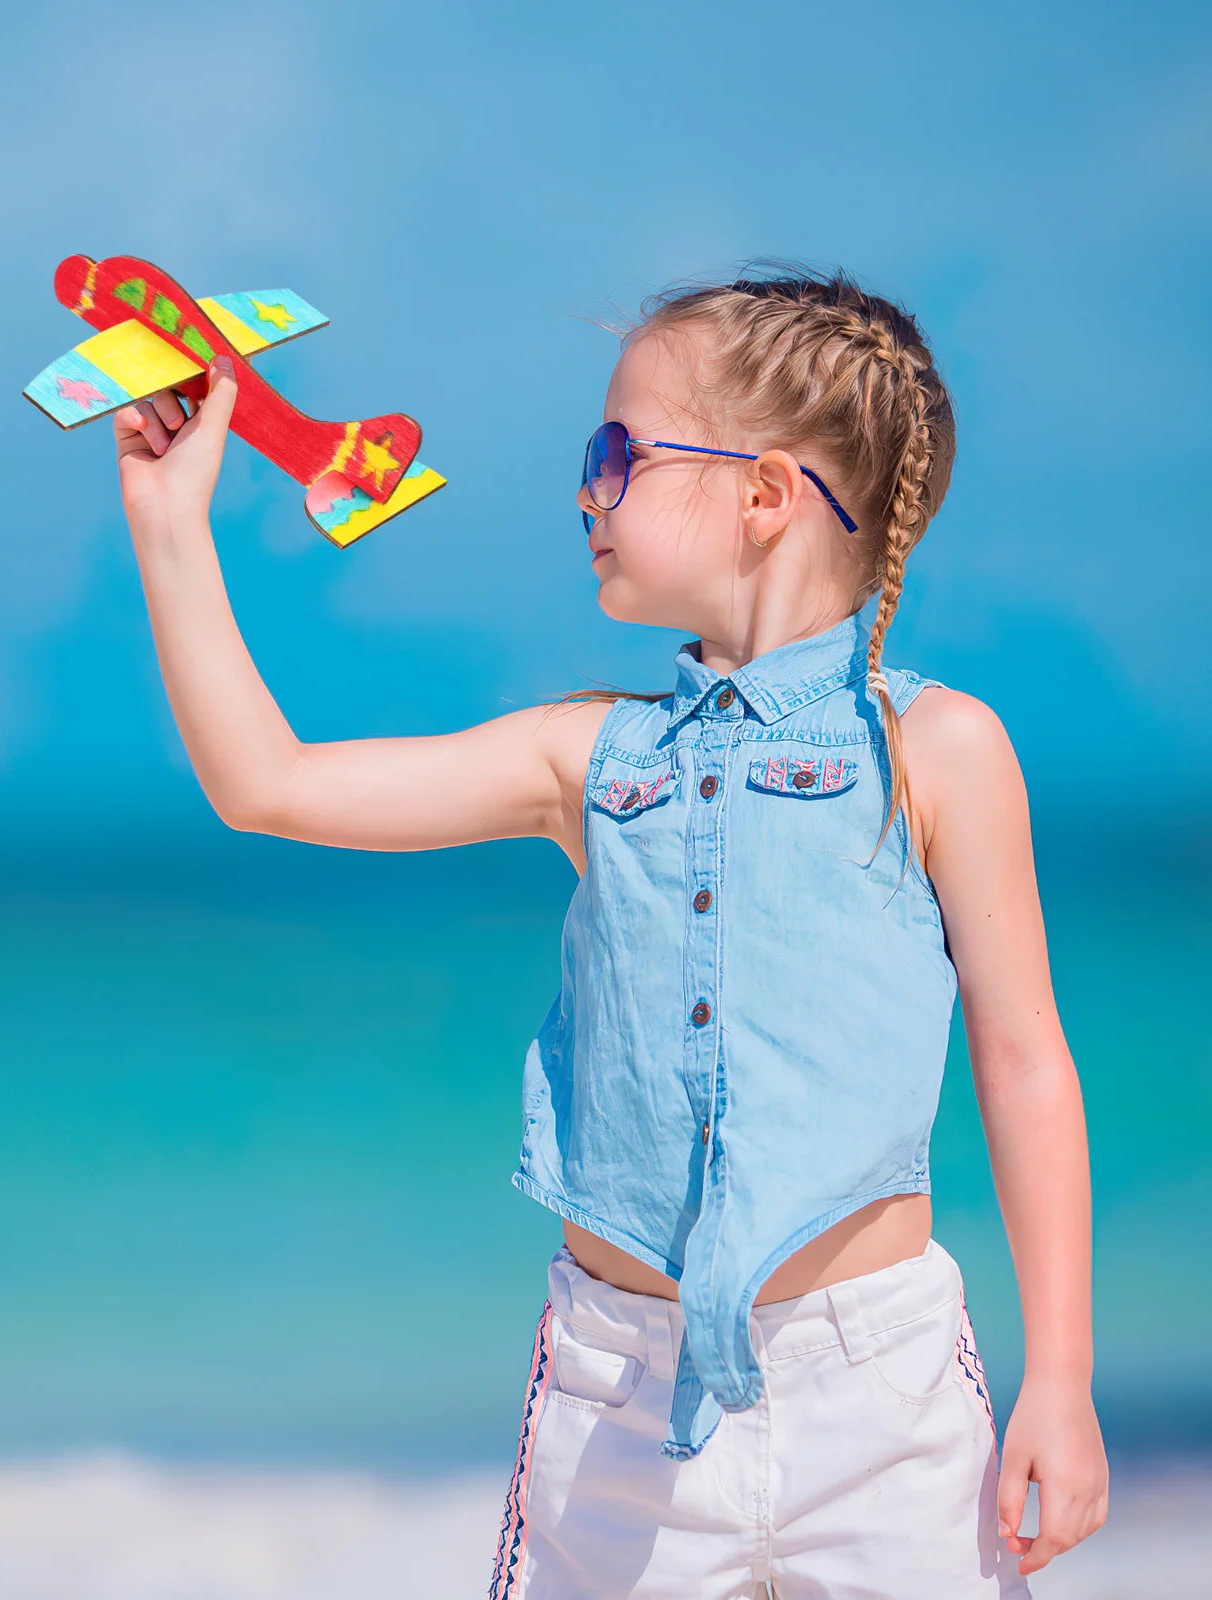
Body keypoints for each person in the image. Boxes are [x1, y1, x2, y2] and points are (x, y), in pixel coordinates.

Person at [109, 270, 1108, 1597]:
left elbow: (1026, 1060)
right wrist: (168, 524)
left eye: (617, 453)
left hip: (887, 1403)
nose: (587, 489)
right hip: (621, 1409)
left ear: (762, 494)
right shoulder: (585, 756)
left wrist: (1063, 1376)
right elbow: (269, 784)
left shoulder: (939, 750)